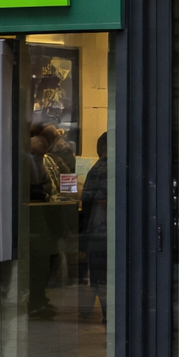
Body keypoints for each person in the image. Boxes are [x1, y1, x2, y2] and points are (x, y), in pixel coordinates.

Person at [79, 132, 109, 325]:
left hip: (96, 232)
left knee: (100, 277)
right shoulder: (106, 169)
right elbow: (103, 201)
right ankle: (110, 314)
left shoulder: (95, 170)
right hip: (104, 232)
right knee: (105, 276)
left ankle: (108, 314)